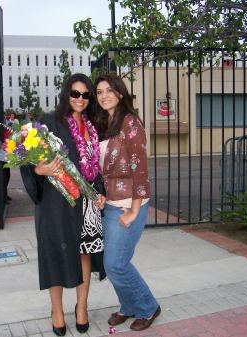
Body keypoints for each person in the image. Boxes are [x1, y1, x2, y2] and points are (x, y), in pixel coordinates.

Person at [20, 73, 105, 336]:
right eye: (75, 93)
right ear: (66, 94)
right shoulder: (49, 123)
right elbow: (27, 156)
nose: (80, 99)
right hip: (56, 201)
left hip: (85, 203)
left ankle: (82, 307)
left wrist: (100, 192)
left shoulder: (93, 127)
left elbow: (96, 168)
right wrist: (39, 170)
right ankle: (56, 311)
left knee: (84, 253)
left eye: (86, 95)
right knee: (54, 254)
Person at [94, 73, 161, 331]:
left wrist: (134, 210)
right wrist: (101, 193)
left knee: (115, 263)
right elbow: (103, 169)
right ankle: (128, 306)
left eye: (109, 90)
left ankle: (148, 306)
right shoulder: (105, 123)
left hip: (129, 205)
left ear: (120, 93)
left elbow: (140, 168)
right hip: (111, 204)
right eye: (99, 92)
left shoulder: (130, 122)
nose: (104, 96)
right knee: (115, 263)